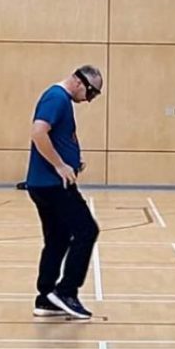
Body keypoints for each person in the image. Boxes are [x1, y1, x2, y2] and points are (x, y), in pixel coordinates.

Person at [25, 65, 103, 318]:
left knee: (57, 239)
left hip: (43, 184)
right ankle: (66, 291)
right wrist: (59, 164)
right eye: (91, 93)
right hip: (52, 185)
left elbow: (55, 136)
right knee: (87, 230)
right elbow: (38, 132)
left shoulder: (60, 100)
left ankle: (46, 298)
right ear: (79, 82)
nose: (89, 99)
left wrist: (71, 159)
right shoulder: (57, 97)